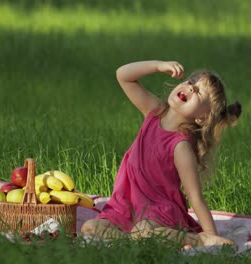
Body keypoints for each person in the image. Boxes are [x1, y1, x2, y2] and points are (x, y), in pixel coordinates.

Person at [81, 60, 242, 248]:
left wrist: (210, 235)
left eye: (199, 92)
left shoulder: (181, 147)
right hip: (126, 206)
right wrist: (158, 66)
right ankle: (130, 240)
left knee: (144, 231)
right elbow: (123, 76)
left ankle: (198, 240)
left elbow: (195, 196)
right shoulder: (154, 111)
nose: (190, 88)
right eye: (191, 83)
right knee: (90, 227)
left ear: (203, 117)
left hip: (159, 211)